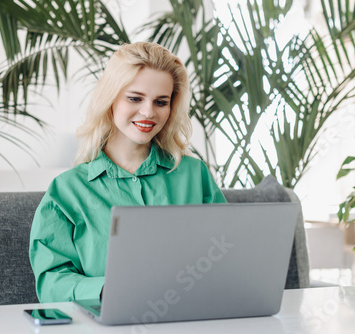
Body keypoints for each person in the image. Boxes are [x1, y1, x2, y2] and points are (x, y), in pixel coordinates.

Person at [29, 42, 227, 303]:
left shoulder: (194, 174)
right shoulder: (67, 191)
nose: (148, 112)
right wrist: (108, 289)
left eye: (161, 102)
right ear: (110, 99)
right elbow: (51, 283)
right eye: (135, 98)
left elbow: (226, 253)